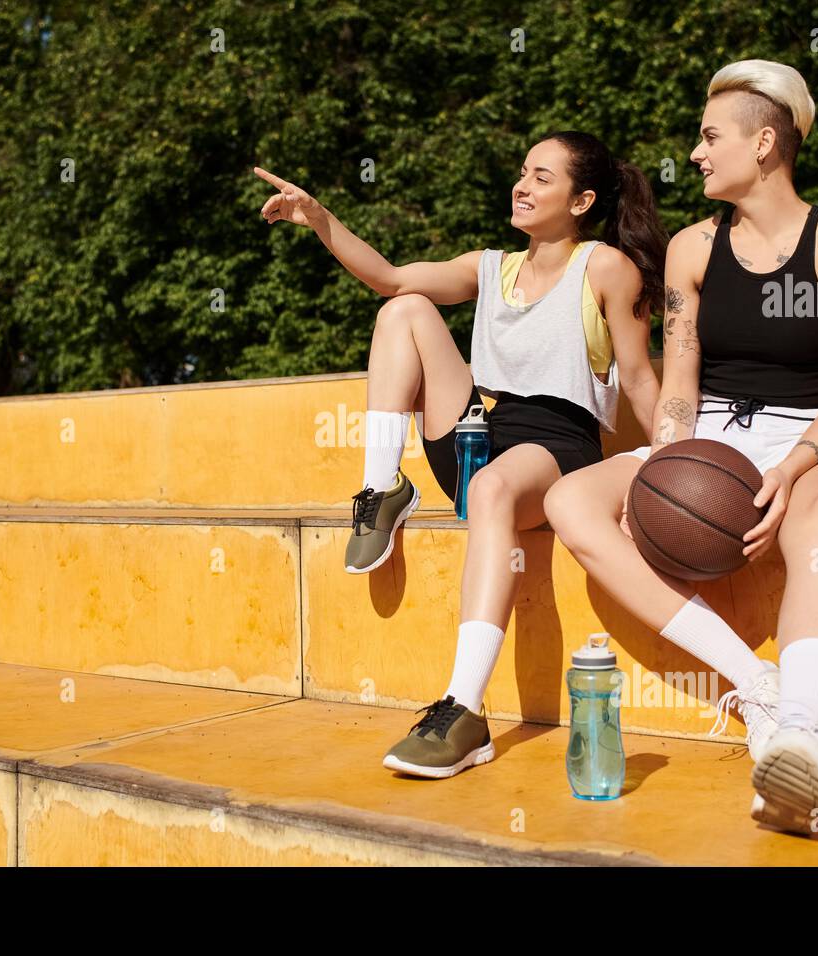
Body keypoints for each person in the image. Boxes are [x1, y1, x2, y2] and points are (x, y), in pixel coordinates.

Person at [254, 129, 667, 777]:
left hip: (557, 446)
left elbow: (640, 379)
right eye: (522, 172)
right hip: (481, 438)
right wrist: (319, 219)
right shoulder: (490, 265)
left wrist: (673, 460)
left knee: (495, 489)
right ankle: (381, 486)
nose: (522, 186)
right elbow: (390, 278)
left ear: (582, 200)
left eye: (541, 177)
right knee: (405, 310)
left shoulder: (606, 268)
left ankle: (463, 710)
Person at [543, 60, 818, 834]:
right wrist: (662, 461)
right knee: (572, 499)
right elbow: (680, 389)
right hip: (709, 442)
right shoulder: (692, 251)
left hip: (814, 443)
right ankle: (754, 684)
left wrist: (793, 468)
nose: (694, 154)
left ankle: (802, 739)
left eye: (708, 136)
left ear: (765, 142)